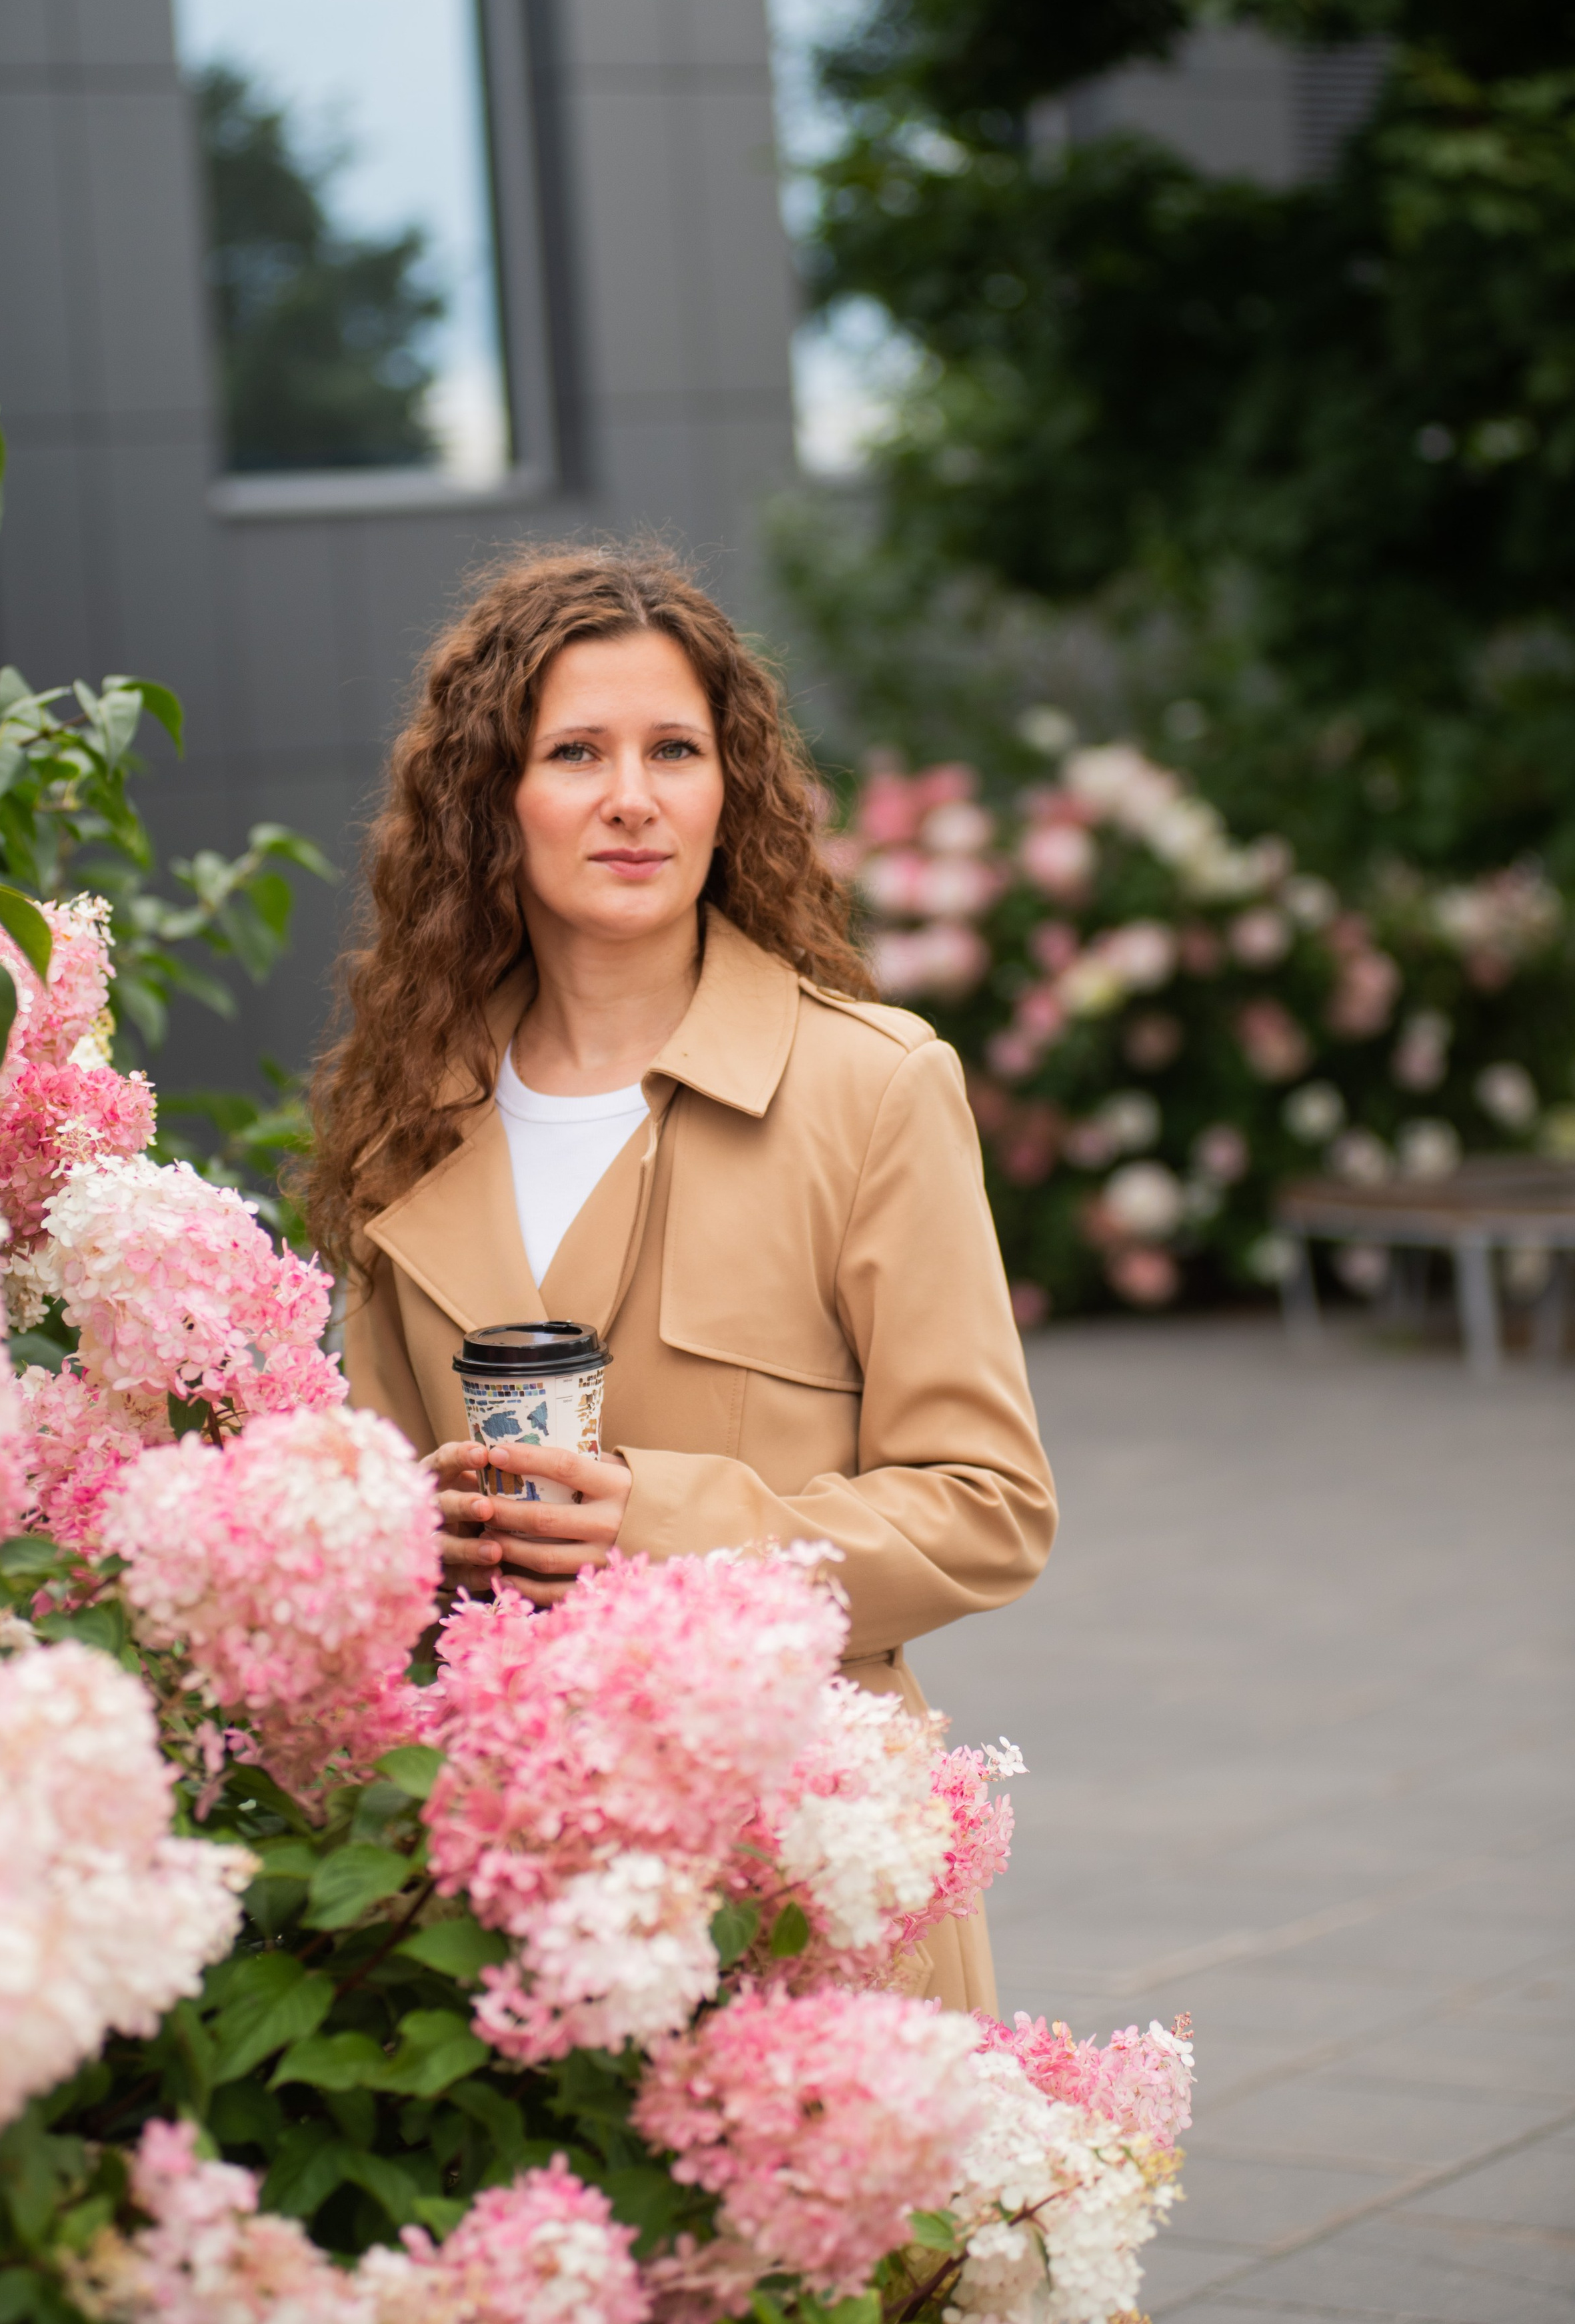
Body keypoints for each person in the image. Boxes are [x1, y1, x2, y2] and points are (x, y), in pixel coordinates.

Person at [309, 544, 1056, 2012]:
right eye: (574, 751)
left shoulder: (871, 1087)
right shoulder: (406, 1122)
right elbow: (376, 1513)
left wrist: (654, 1520)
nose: (631, 797)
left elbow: (987, 1508)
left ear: (732, 789)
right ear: (491, 800)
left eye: (674, 750)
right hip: (500, 1891)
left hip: (801, 1864)